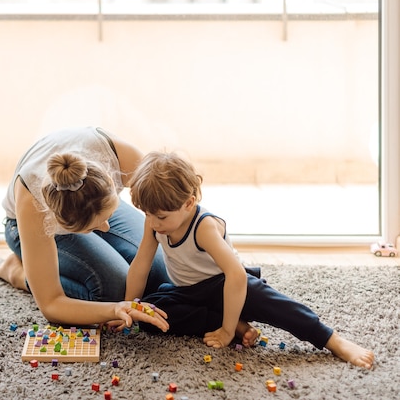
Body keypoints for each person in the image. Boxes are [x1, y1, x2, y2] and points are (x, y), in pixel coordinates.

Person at [125, 151, 375, 369]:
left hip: (229, 286)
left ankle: (333, 340)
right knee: (151, 312)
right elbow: (141, 265)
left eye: (160, 216)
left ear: (188, 203)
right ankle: (236, 325)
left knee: (274, 303)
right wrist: (128, 307)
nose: (154, 222)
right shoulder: (154, 224)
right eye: (147, 214)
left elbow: (236, 276)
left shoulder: (203, 227)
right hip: (188, 292)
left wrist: (225, 332)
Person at [0, 126, 171, 331]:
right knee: (114, 291)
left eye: (108, 216)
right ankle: (18, 272)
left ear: (110, 183)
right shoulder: (35, 205)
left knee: (157, 274)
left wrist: (149, 251)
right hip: (25, 227)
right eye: (91, 229)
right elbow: (51, 304)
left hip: (94, 206)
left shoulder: (121, 157)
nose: (105, 228)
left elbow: (169, 205)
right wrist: (116, 308)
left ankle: (97, 221)